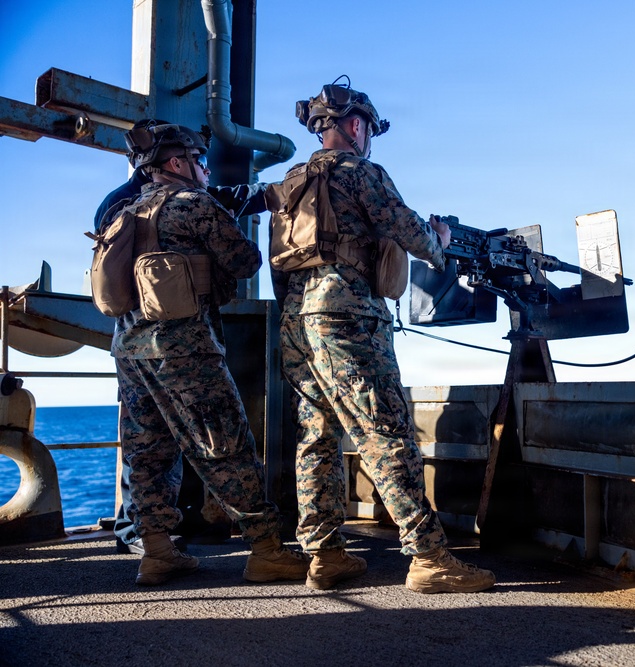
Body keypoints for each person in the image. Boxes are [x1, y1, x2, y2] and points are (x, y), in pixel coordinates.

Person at [270, 78, 495, 593]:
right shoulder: (360, 170)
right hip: (348, 316)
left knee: (316, 436)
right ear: (355, 126)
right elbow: (410, 231)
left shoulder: (291, 181)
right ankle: (430, 557)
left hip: (298, 319)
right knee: (385, 431)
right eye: (368, 128)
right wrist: (439, 243)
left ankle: (325, 555)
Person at [110, 122, 308, 585]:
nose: (205, 168)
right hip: (185, 349)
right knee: (225, 444)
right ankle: (266, 550)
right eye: (200, 160)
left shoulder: (124, 211)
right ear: (177, 163)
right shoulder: (195, 204)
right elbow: (244, 262)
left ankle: (157, 552)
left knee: (147, 451)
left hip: (130, 349)